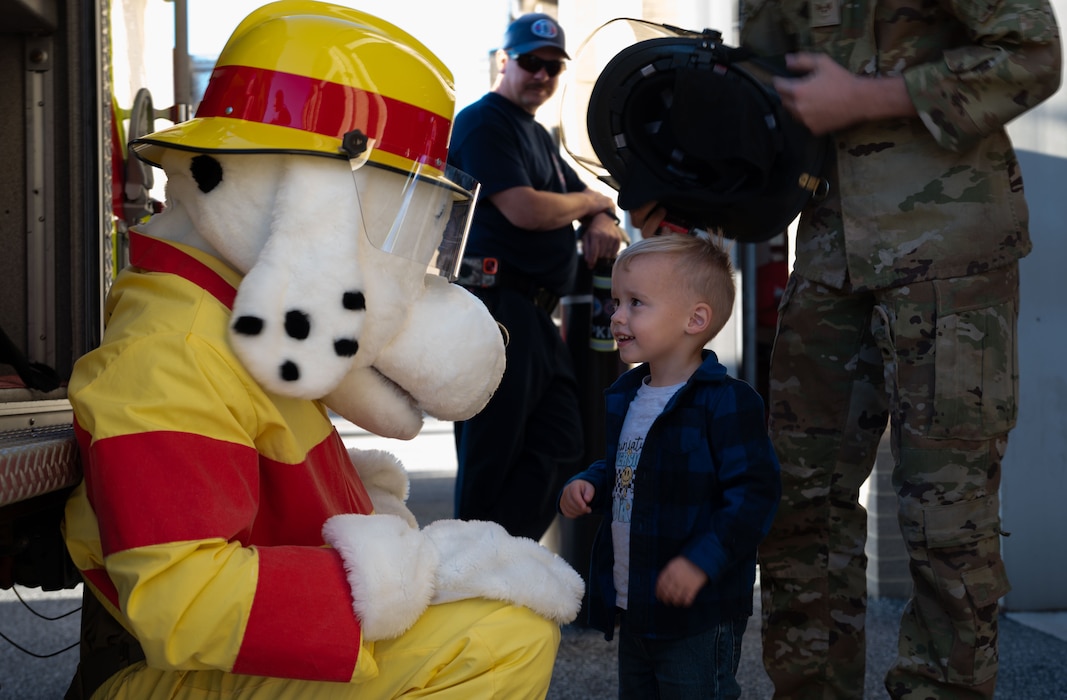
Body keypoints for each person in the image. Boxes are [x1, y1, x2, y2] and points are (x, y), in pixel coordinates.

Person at [731, 1, 1063, 697]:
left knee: (946, 519)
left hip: (946, 251)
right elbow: (762, 86)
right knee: (798, 506)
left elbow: (1031, 55)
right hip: (827, 253)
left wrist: (868, 97)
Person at [558, 232, 781, 699]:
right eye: (616, 301)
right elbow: (631, 467)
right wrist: (591, 483)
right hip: (636, 598)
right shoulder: (629, 394)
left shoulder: (727, 403)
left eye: (636, 303)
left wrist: (702, 563)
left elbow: (754, 497)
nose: (616, 316)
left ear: (695, 319)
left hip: (698, 609)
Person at [449, 12, 628, 541]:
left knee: (562, 442)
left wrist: (598, 213)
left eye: (552, 66)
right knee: (493, 455)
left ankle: (499, 559)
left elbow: (597, 205)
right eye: (531, 62)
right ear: (504, 62)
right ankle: (470, 577)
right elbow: (524, 209)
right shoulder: (485, 122)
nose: (541, 75)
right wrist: (593, 202)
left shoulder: (536, 136)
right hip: (494, 307)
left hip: (535, 314)